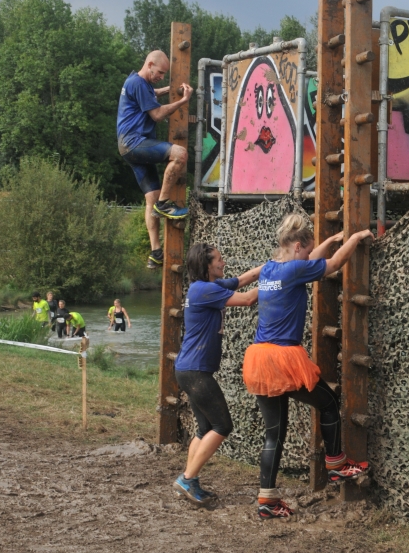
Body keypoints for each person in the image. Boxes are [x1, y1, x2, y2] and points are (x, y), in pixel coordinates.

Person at [242, 214, 373, 519]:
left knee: (274, 434)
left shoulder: (271, 268)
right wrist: (355, 238)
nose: (310, 253)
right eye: (309, 248)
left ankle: (267, 500)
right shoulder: (295, 270)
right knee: (328, 402)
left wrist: (330, 240)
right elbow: (333, 264)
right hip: (283, 358)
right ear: (298, 246)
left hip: (259, 357)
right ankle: (337, 464)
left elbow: (310, 259)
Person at [172, 243, 263, 505]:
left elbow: (244, 280)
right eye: (219, 260)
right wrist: (280, 279)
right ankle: (187, 479)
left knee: (204, 429)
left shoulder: (208, 286)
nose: (223, 263)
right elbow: (248, 299)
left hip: (189, 369)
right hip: (195, 371)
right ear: (207, 265)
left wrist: (273, 267)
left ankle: (189, 481)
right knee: (223, 426)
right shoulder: (204, 290)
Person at [117, 50, 194, 269]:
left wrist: (170, 89)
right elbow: (158, 114)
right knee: (180, 154)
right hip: (135, 142)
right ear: (149, 64)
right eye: (160, 72)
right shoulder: (138, 83)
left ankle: (155, 252)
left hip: (128, 146)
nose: (161, 76)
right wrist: (184, 100)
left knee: (150, 197)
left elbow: (152, 94)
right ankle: (164, 204)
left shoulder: (137, 82)